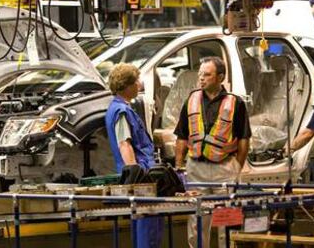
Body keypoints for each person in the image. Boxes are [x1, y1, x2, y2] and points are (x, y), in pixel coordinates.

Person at [174, 56, 251, 248]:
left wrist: (235, 167)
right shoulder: (191, 100)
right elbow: (182, 137)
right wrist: (178, 167)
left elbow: (244, 140)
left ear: (220, 77)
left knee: (228, 220)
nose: (201, 78)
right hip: (195, 169)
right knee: (196, 220)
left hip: (224, 168)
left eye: (207, 75)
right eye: (200, 74)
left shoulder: (236, 103)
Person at [105, 63, 163, 248]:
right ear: (127, 84)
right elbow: (125, 144)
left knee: (145, 223)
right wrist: (136, 177)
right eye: (136, 80)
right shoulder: (121, 111)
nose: (140, 84)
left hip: (141, 175)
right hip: (141, 178)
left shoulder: (121, 107)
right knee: (148, 226)